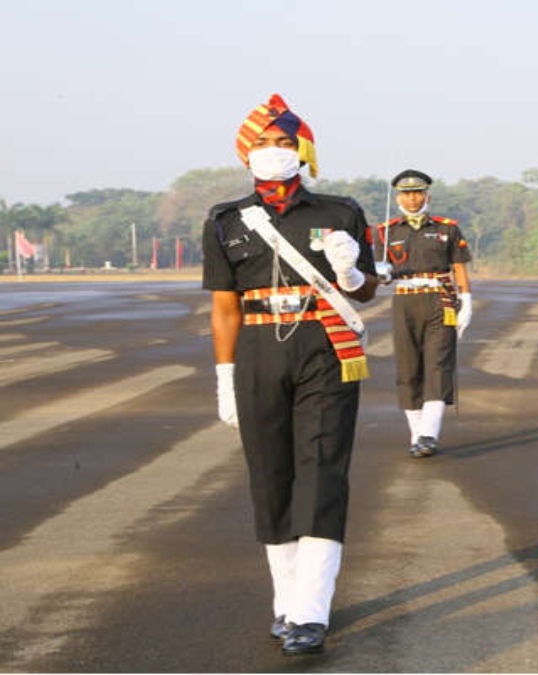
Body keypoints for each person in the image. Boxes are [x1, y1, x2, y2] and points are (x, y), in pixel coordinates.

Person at [202, 93, 379, 656]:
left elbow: (368, 290)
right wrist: (225, 376)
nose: (274, 153)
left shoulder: (340, 212)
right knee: (270, 473)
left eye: (284, 144)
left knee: (323, 468)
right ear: (245, 154)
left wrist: (351, 269)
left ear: (304, 152)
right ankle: (287, 601)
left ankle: (312, 610)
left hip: (325, 346)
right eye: (263, 144)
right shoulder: (225, 222)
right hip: (257, 348)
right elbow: (224, 307)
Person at [373, 169, 472, 458]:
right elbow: (379, 272)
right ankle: (416, 434)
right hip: (404, 301)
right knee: (408, 369)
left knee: (438, 365)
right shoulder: (386, 231)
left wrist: (467, 300)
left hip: (440, 300)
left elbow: (459, 268)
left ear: (427, 194)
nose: (412, 199)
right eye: (406, 193)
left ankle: (429, 433)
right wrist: (379, 272)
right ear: (397, 197)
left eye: (417, 192)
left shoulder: (446, 228)